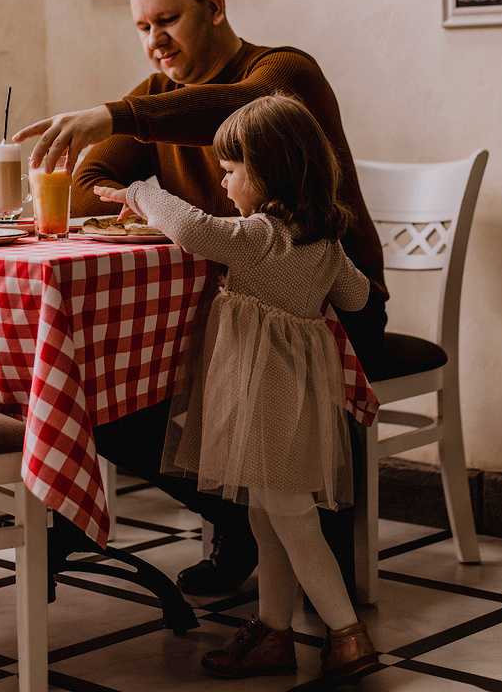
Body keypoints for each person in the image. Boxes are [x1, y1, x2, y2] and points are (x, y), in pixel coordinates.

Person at [14, 0, 387, 596]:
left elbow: (241, 107)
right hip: (224, 308)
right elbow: (88, 181)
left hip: (330, 305)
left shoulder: (281, 71)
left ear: (213, 7)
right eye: (142, 29)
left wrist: (118, 117)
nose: (155, 41)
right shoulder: (159, 96)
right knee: (105, 386)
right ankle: (240, 520)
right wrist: (131, 186)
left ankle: (324, 566)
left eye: (169, 20)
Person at [93, 94, 379, 681]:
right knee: (267, 512)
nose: (224, 185)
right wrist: (312, 288)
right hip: (292, 394)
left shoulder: (260, 237)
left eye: (230, 171)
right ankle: (274, 633)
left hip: (264, 393)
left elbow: (195, 231)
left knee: (290, 514)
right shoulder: (321, 243)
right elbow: (359, 297)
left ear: (269, 172)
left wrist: (142, 191)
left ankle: (347, 635)